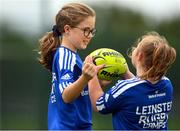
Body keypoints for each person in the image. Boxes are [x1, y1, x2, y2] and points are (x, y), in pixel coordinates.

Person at [88, 31, 176, 130]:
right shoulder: (166, 84)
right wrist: (125, 72)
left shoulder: (125, 89)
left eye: (136, 47)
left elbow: (98, 104)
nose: (133, 49)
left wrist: (91, 75)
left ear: (139, 56)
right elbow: (140, 90)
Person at [37, 2, 100, 130]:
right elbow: (66, 96)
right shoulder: (65, 56)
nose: (90, 36)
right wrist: (85, 78)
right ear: (67, 29)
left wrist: (96, 81)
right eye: (86, 30)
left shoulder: (71, 56)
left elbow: (79, 91)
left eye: (92, 31)